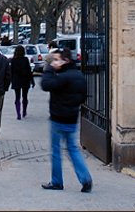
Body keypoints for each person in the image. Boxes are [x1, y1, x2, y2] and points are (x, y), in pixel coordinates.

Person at [40, 46, 93, 193]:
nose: (56, 62)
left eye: (58, 59)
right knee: (73, 149)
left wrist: (50, 68)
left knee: (56, 151)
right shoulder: (79, 75)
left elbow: (45, 84)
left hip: (58, 118)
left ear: (66, 60)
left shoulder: (63, 77)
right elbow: (82, 97)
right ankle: (85, 178)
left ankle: (57, 181)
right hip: (72, 117)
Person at [10, 45, 35, 120]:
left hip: (16, 80)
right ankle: (24, 111)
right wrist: (32, 80)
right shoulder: (25, 59)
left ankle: (18, 114)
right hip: (25, 79)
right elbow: (29, 70)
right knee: (25, 96)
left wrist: (10, 81)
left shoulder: (13, 60)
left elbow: (11, 71)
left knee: (17, 97)